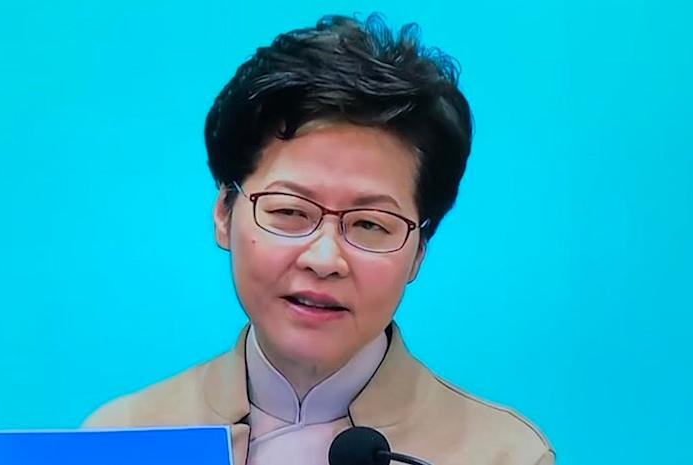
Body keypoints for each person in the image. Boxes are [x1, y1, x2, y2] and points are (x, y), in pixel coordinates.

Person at [83, 13, 555, 465]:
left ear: (419, 252)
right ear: (225, 212)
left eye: (370, 224)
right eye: (290, 211)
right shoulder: (121, 439)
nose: (325, 259)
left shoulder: (503, 455)